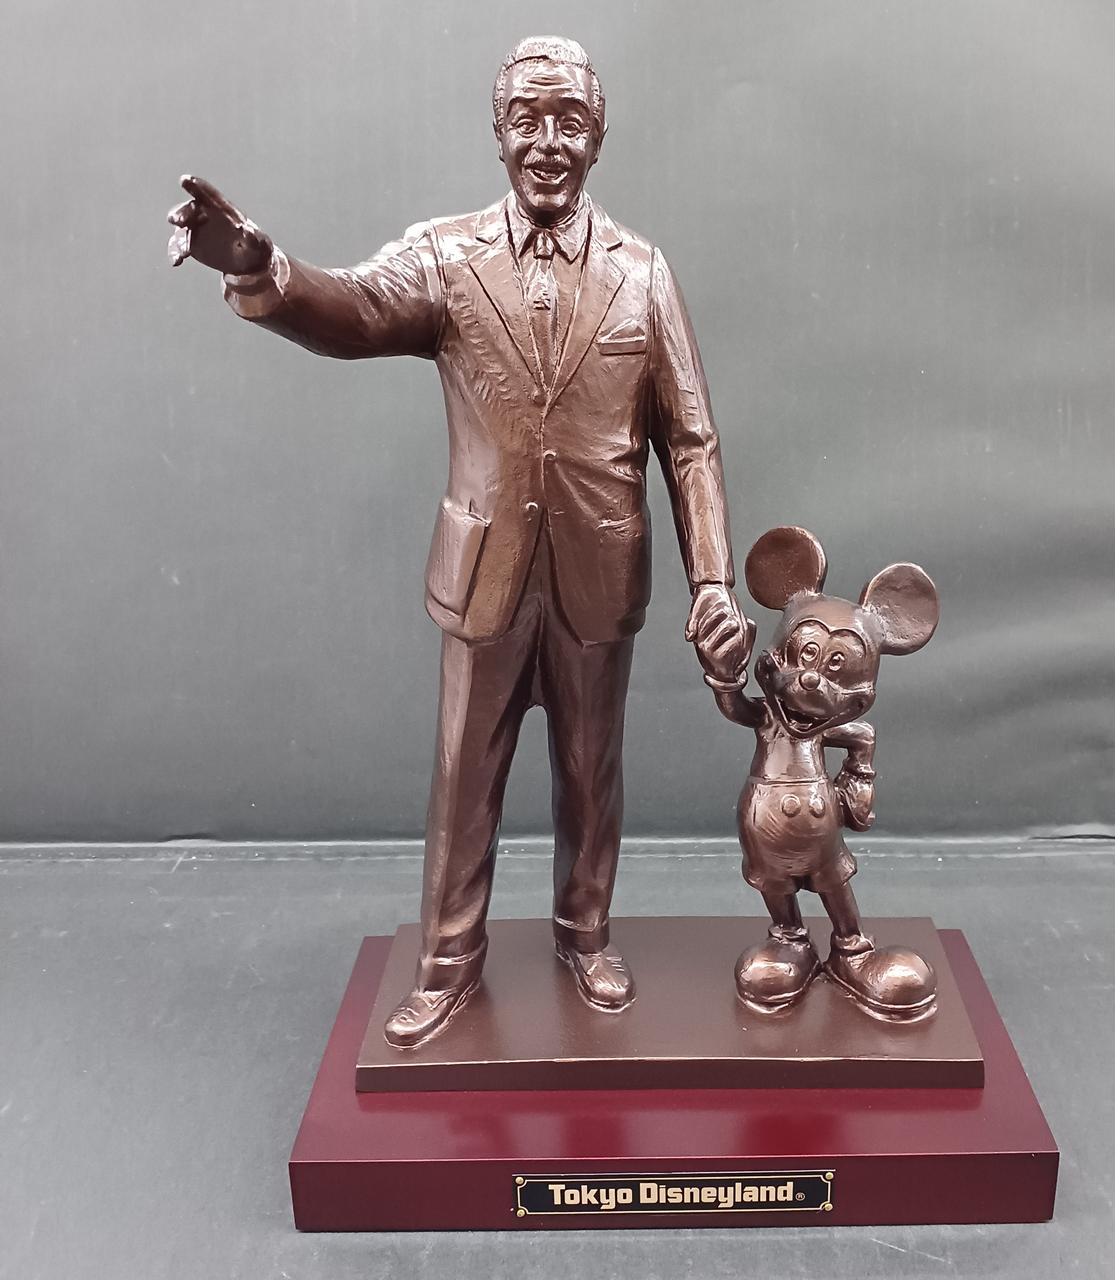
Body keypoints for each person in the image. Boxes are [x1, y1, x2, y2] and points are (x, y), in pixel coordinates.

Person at [168, 35, 751, 1047]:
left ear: (598, 137)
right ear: (497, 133)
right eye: (526, 120)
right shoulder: (446, 257)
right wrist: (267, 271)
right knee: (462, 778)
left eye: (568, 120)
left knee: (591, 773)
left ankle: (586, 935)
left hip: (598, 574)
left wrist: (713, 580)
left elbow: (691, 442)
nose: (546, 141)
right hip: (484, 576)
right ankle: (446, 965)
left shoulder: (645, 274)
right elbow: (356, 309)